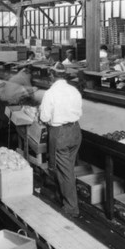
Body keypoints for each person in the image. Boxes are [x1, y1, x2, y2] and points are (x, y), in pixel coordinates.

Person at [39, 62, 82, 218]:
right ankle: (63, 195)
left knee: (64, 170)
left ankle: (71, 207)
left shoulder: (50, 93)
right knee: (67, 167)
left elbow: (44, 117)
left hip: (60, 133)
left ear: (52, 75)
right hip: (76, 131)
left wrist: (43, 116)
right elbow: (79, 110)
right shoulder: (74, 91)